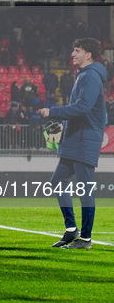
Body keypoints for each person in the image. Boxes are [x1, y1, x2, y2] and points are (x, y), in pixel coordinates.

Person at [39, 38, 107, 249]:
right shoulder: (84, 75)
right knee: (57, 182)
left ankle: (85, 239)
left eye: (77, 50)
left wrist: (54, 112)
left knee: (84, 190)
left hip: (85, 139)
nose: (72, 54)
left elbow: (82, 108)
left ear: (88, 55)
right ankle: (71, 230)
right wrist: (63, 128)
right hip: (75, 139)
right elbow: (80, 110)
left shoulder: (91, 76)